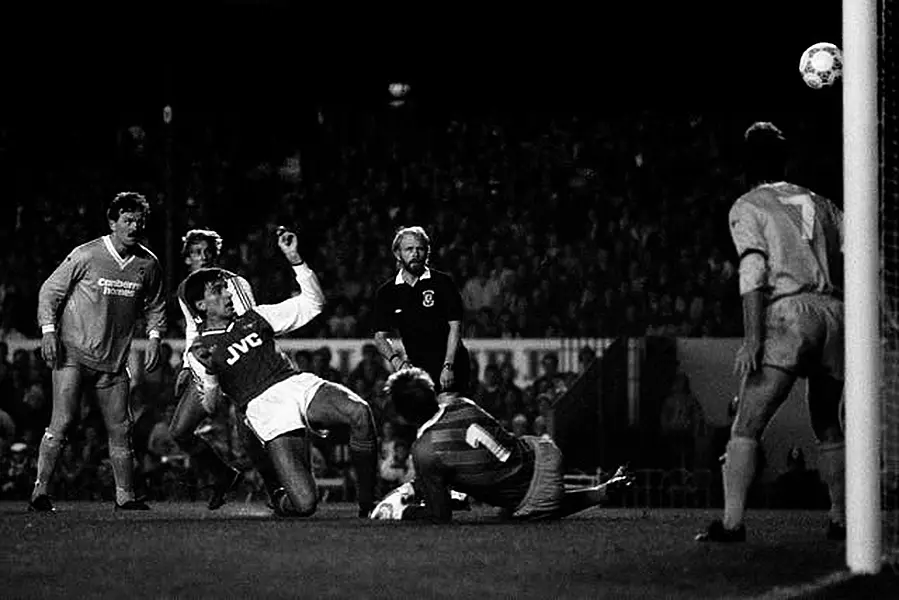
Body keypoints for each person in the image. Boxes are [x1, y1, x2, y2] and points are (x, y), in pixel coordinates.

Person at [696, 122, 846, 543]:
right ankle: (840, 519)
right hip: (835, 311)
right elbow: (858, 254)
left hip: (787, 313)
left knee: (747, 424)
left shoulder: (749, 205)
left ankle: (731, 524)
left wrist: (752, 339)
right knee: (828, 423)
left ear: (747, 164)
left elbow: (754, 269)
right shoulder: (823, 203)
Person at [185, 228, 378, 518]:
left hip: (294, 383)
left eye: (225, 288)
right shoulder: (199, 350)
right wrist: (210, 374)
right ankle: (280, 499)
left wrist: (295, 259)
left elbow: (314, 304)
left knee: (360, 412)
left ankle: (368, 505)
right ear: (201, 305)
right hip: (264, 409)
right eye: (217, 291)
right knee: (305, 504)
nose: (227, 294)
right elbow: (210, 407)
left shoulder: (255, 316)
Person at [31, 192, 167, 512]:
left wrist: (155, 338)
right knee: (63, 421)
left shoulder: (148, 264)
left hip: (114, 360)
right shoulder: (87, 255)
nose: (134, 227)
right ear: (112, 223)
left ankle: (125, 497)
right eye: (127, 220)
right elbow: (49, 292)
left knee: (121, 426)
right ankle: (39, 492)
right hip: (73, 353)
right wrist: (48, 332)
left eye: (139, 221)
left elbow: (156, 305)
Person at [370, 367, 632, 523]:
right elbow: (476, 456)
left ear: (403, 415)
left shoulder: (424, 450)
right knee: (513, 498)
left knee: (514, 511)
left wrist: (404, 512)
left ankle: (596, 492)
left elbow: (441, 516)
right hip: (541, 452)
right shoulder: (460, 403)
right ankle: (603, 491)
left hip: (533, 494)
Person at [170, 228, 282, 511]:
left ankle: (276, 492)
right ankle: (223, 474)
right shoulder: (187, 290)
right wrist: (187, 365)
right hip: (209, 366)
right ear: (187, 259)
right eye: (197, 252)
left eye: (209, 251)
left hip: (241, 366)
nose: (204, 257)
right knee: (180, 431)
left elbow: (253, 325)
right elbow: (193, 330)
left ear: (217, 255)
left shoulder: (235, 284)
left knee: (249, 434)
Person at [372, 226, 471, 396]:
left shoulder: (442, 282)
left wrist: (449, 366)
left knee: (447, 416)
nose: (415, 254)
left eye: (420, 249)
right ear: (398, 253)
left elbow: (455, 327)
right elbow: (380, 337)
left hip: (450, 365)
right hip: (418, 370)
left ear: (427, 252)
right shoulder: (387, 292)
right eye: (409, 249)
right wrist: (398, 363)